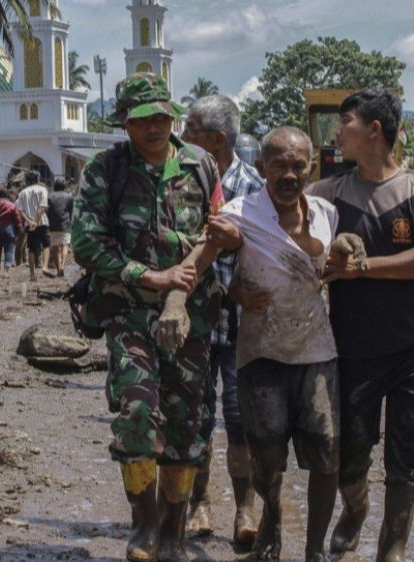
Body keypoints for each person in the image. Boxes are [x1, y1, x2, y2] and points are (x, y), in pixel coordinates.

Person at [72, 72, 227, 562]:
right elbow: (86, 244)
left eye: (161, 116)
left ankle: (173, 535)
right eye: (142, 119)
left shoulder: (201, 166)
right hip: (128, 313)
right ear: (125, 123)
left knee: (187, 424)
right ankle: (143, 525)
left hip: (192, 319)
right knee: (137, 414)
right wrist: (153, 279)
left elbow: (216, 229)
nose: (154, 127)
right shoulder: (106, 170)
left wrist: (181, 284)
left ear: (172, 116)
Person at [309, 89, 414, 562]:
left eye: (345, 121)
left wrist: (362, 269)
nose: (337, 131)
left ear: (374, 129)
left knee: (408, 456)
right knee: (349, 453)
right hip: (353, 346)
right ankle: (356, 508)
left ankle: (392, 549)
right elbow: (286, 218)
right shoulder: (329, 193)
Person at [203, 127, 340, 562]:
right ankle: (272, 522)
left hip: (316, 350)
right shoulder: (238, 213)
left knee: (324, 451)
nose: (289, 174)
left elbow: (333, 267)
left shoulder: (325, 213)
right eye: (279, 165)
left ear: (311, 168)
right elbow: (200, 265)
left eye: (298, 166)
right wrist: (234, 294)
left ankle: (315, 549)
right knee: (267, 455)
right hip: (259, 352)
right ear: (261, 168)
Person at [179, 95, 265, 546]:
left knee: (239, 419)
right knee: (194, 418)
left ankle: (245, 508)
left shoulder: (253, 186)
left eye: (189, 129)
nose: (182, 134)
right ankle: (199, 502)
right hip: (192, 321)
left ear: (215, 140)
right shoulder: (181, 180)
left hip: (238, 325)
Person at [16, 171, 51, 282]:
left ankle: (32, 275)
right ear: (38, 179)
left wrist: (30, 221)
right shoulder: (43, 190)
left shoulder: (22, 193)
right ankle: (45, 267)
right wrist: (36, 221)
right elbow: (42, 207)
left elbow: (21, 211)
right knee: (46, 245)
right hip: (42, 221)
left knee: (31, 249)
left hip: (29, 224)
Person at [47, 177, 74, 277]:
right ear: (64, 186)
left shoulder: (49, 197)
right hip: (65, 224)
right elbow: (70, 212)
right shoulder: (69, 197)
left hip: (53, 225)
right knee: (65, 245)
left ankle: (58, 270)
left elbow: (47, 211)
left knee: (55, 247)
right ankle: (63, 266)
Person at [0, 187, 23, 277]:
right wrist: (19, 230)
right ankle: (6, 272)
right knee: (9, 250)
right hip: (9, 229)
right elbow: (17, 218)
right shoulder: (12, 204)